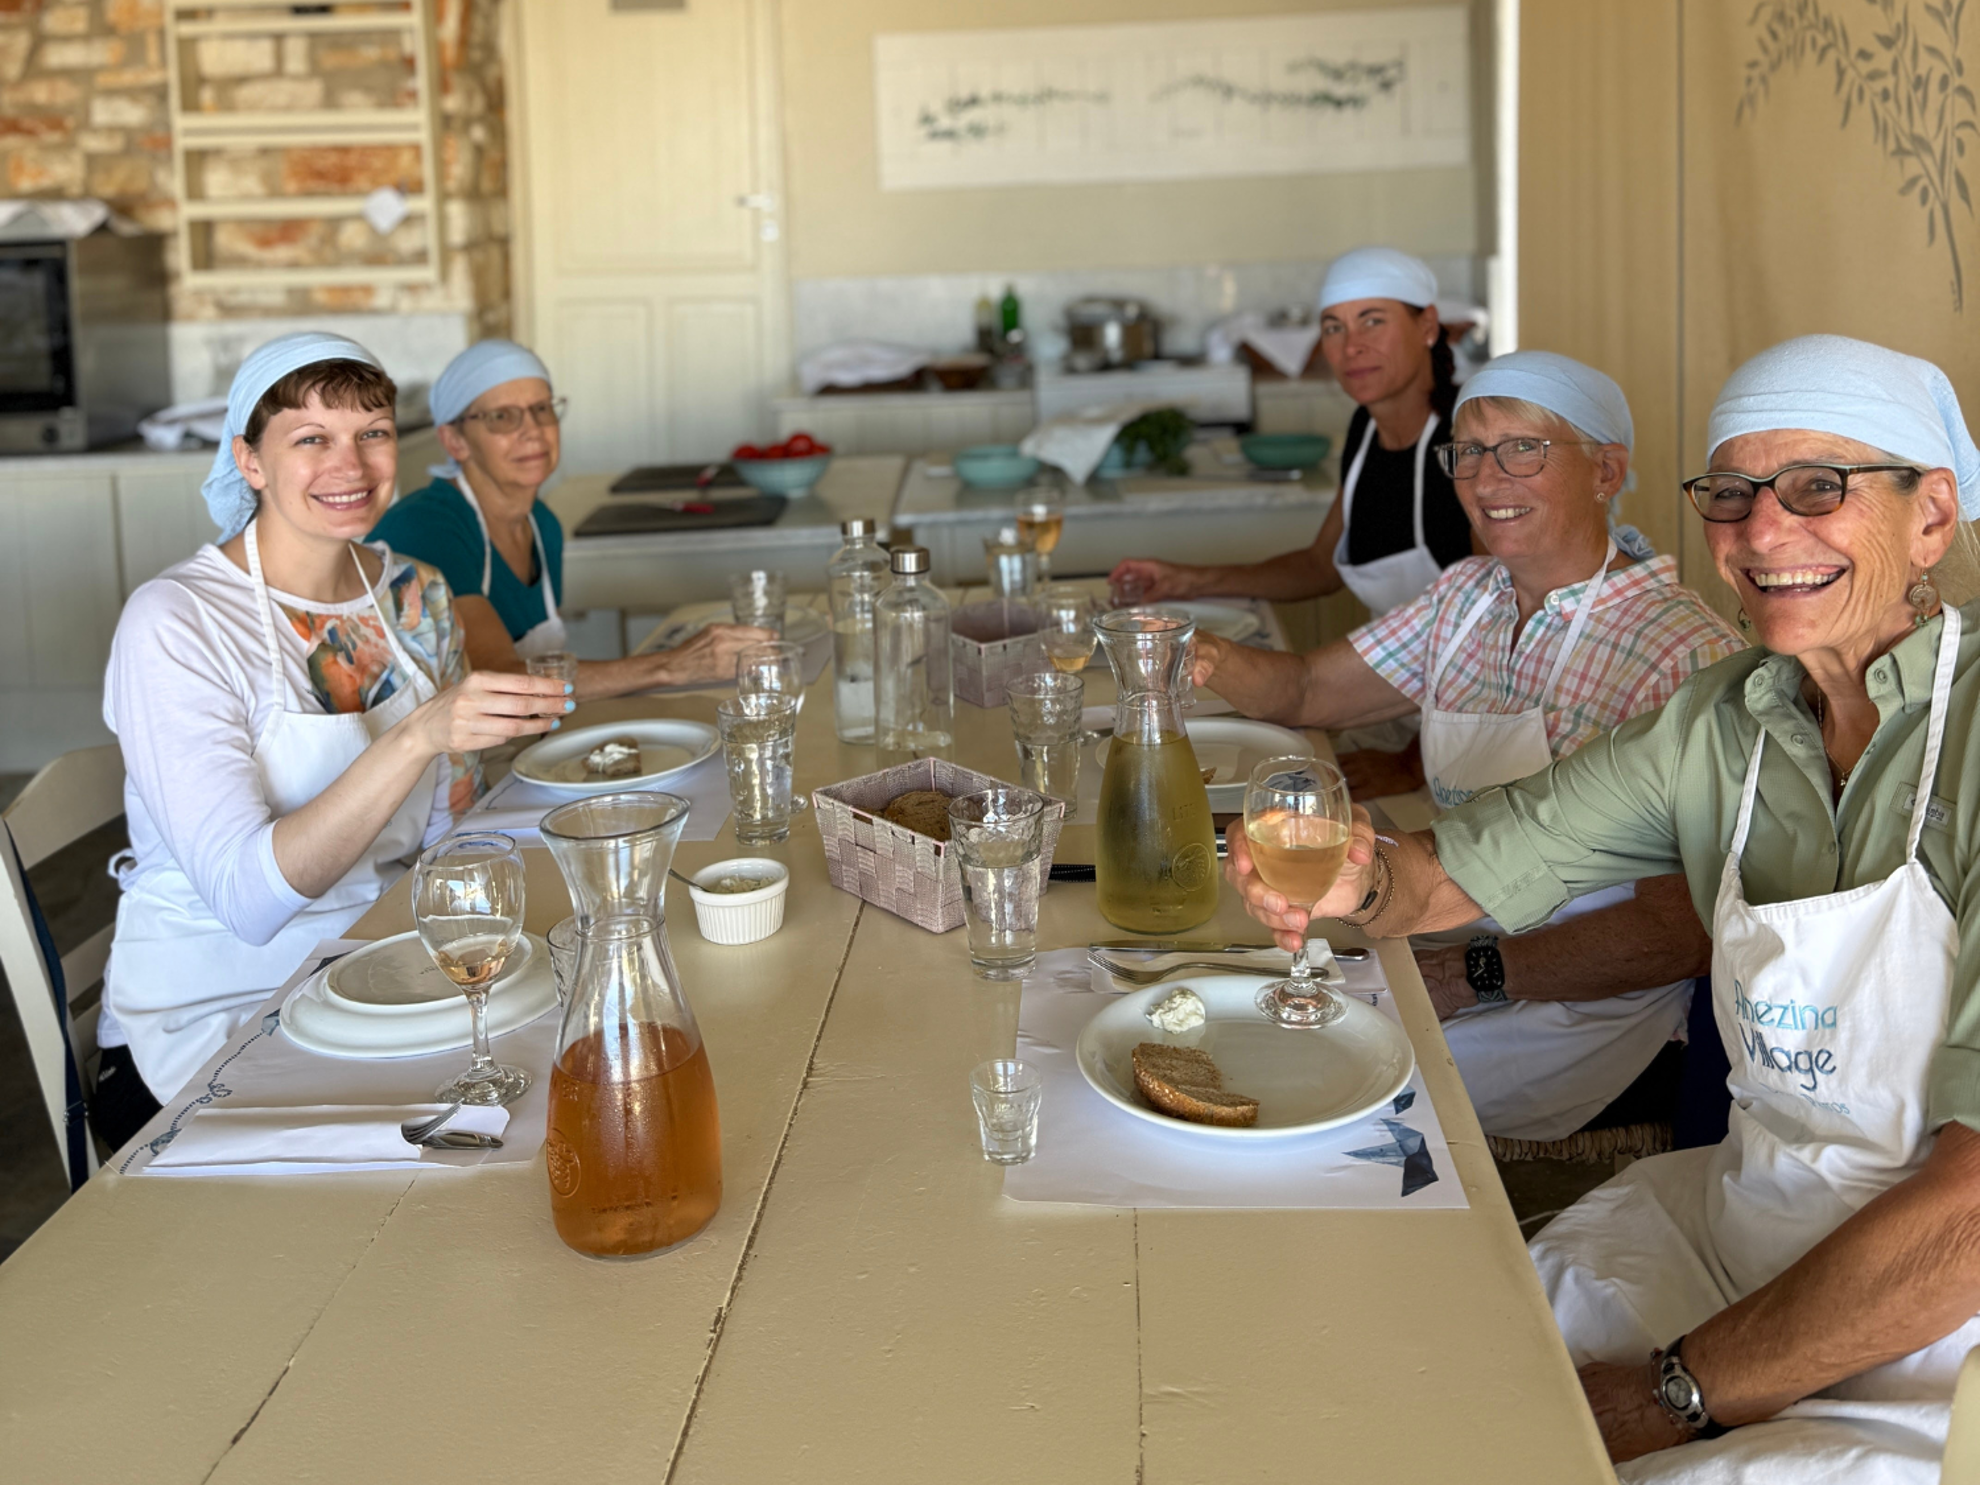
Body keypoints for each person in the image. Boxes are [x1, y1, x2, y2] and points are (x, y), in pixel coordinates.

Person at [1228, 334, 1980, 1480]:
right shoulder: (1721, 720)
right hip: (1739, 1228)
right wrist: (1360, 876)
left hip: (1937, 1343)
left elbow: (1969, 1221)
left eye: (1817, 487)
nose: (1762, 531)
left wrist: (1670, 1396)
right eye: (1731, 493)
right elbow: (1457, 870)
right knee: (1408, 1374)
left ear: (1931, 516)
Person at [1193, 351, 1744, 1142]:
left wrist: (1468, 974)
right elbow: (1308, 690)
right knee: (1234, 1021)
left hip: (1581, 1008)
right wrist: (1195, 651)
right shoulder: (1469, 596)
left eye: (1522, 449)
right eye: (1469, 452)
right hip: (1433, 923)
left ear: (1606, 471)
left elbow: (1678, 934)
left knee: (1312, 1098)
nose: (1487, 479)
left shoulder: (1681, 654)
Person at [93, 334, 568, 1145]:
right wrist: (416, 734)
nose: (350, 465)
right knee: (484, 1146)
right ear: (249, 460)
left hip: (378, 974)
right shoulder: (178, 622)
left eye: (371, 433)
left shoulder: (415, 593)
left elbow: (449, 835)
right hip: (215, 1023)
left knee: (579, 1058)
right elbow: (248, 903)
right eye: (312, 438)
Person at [1109, 247, 1478, 789]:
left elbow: (1498, 626)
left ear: (1427, 326)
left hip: (1468, 733)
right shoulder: (1366, 430)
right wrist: (1189, 581)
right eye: (1333, 327)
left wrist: (1412, 764)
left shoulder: (1466, 443)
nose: (1351, 346)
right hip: (1385, 703)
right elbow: (1318, 565)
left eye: (1372, 320)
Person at [371, 340, 767, 696]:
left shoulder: (542, 525)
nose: (533, 431)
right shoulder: (427, 527)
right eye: (502, 417)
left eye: (542, 409)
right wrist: (671, 666)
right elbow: (495, 676)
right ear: (454, 440)